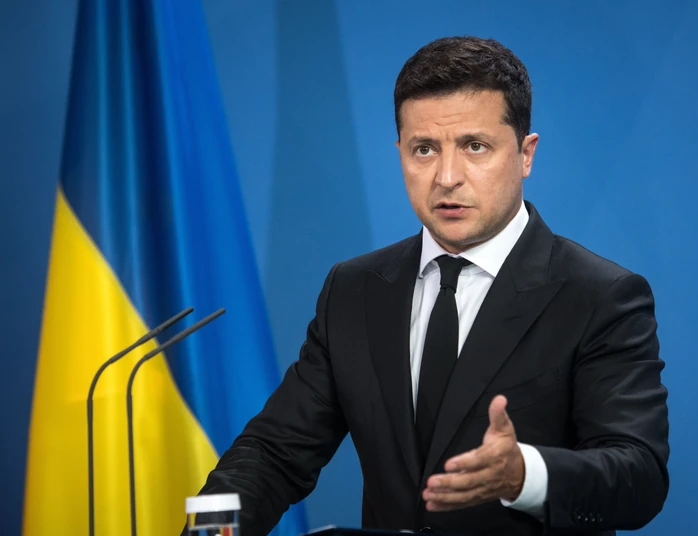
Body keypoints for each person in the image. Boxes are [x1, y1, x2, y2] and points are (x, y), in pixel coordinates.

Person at [196, 36, 670, 536]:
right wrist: (209, 529)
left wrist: (525, 475)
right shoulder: (353, 290)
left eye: (475, 146)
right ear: (400, 153)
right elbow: (274, 452)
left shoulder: (599, 295)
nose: (446, 177)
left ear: (526, 154)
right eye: (424, 149)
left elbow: (638, 476)